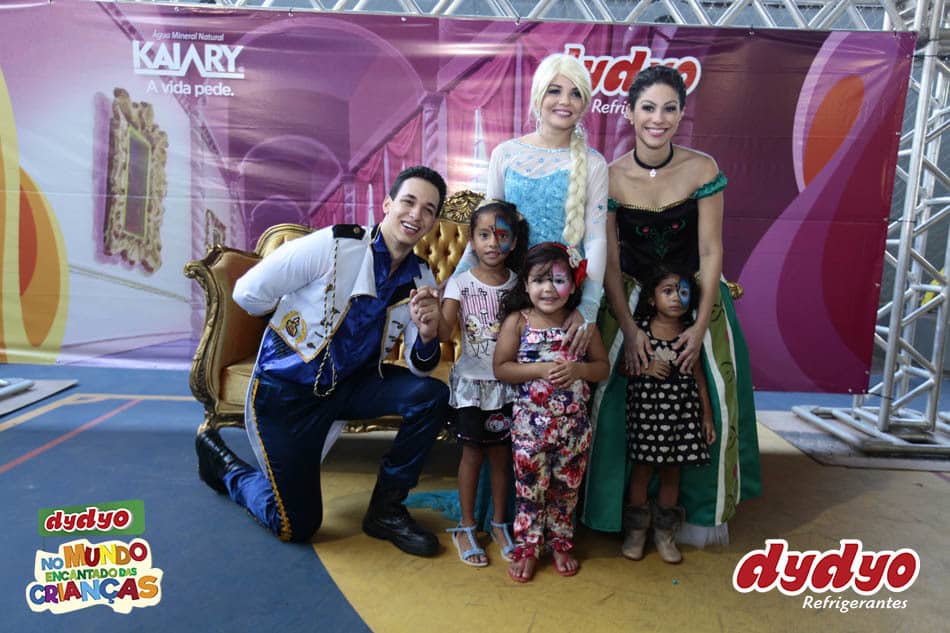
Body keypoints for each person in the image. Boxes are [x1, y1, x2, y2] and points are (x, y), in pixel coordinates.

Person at [194, 165, 451, 556]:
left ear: (433, 221)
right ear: (387, 204)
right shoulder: (334, 245)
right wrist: (293, 327)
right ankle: (228, 469)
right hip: (288, 393)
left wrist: (429, 335)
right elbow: (247, 291)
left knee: (430, 395)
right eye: (409, 202)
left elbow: (420, 367)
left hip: (351, 387)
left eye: (428, 209)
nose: (416, 214)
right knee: (296, 525)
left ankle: (386, 510)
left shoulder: (420, 277)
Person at [581, 66, 761, 548]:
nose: (657, 119)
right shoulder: (610, 175)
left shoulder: (702, 169)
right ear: (629, 113)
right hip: (630, 300)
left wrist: (700, 327)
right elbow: (611, 261)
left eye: (669, 108)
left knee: (714, 398)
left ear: (681, 114)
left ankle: (690, 514)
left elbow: (711, 251)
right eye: (648, 107)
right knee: (610, 401)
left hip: (693, 297)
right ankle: (619, 515)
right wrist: (629, 329)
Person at [457, 52, 608, 355]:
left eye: (575, 93)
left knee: (559, 381)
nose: (565, 101)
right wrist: (456, 282)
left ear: (585, 103)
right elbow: (488, 228)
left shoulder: (594, 164)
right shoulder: (505, 154)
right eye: (555, 90)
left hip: (563, 298)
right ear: (538, 95)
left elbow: (596, 239)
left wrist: (589, 306)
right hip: (507, 292)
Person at [493, 243, 609, 582]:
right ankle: (528, 548)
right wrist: (540, 369)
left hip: (574, 429)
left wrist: (579, 370)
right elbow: (501, 368)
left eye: (558, 280)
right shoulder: (519, 321)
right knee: (530, 490)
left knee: (566, 491)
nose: (548, 289)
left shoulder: (582, 325)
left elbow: (602, 367)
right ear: (526, 284)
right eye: (539, 280)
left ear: (573, 286)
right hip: (529, 429)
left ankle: (561, 542)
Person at [439, 199, 527, 567]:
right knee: (472, 455)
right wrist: (428, 312)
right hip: (471, 386)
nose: (493, 243)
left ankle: (499, 523)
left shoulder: (520, 285)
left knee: (501, 456)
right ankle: (466, 525)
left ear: (514, 241)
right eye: (485, 235)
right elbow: (443, 331)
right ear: (472, 240)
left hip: (508, 385)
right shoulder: (459, 284)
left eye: (502, 235)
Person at [622, 264, 716, 564]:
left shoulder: (690, 335)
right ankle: (636, 532)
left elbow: (699, 378)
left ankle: (665, 535)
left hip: (681, 420)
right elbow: (623, 368)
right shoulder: (640, 332)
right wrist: (645, 368)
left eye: (683, 292)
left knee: (672, 474)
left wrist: (706, 417)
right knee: (641, 472)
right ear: (652, 299)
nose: (676, 297)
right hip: (646, 419)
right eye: (668, 291)